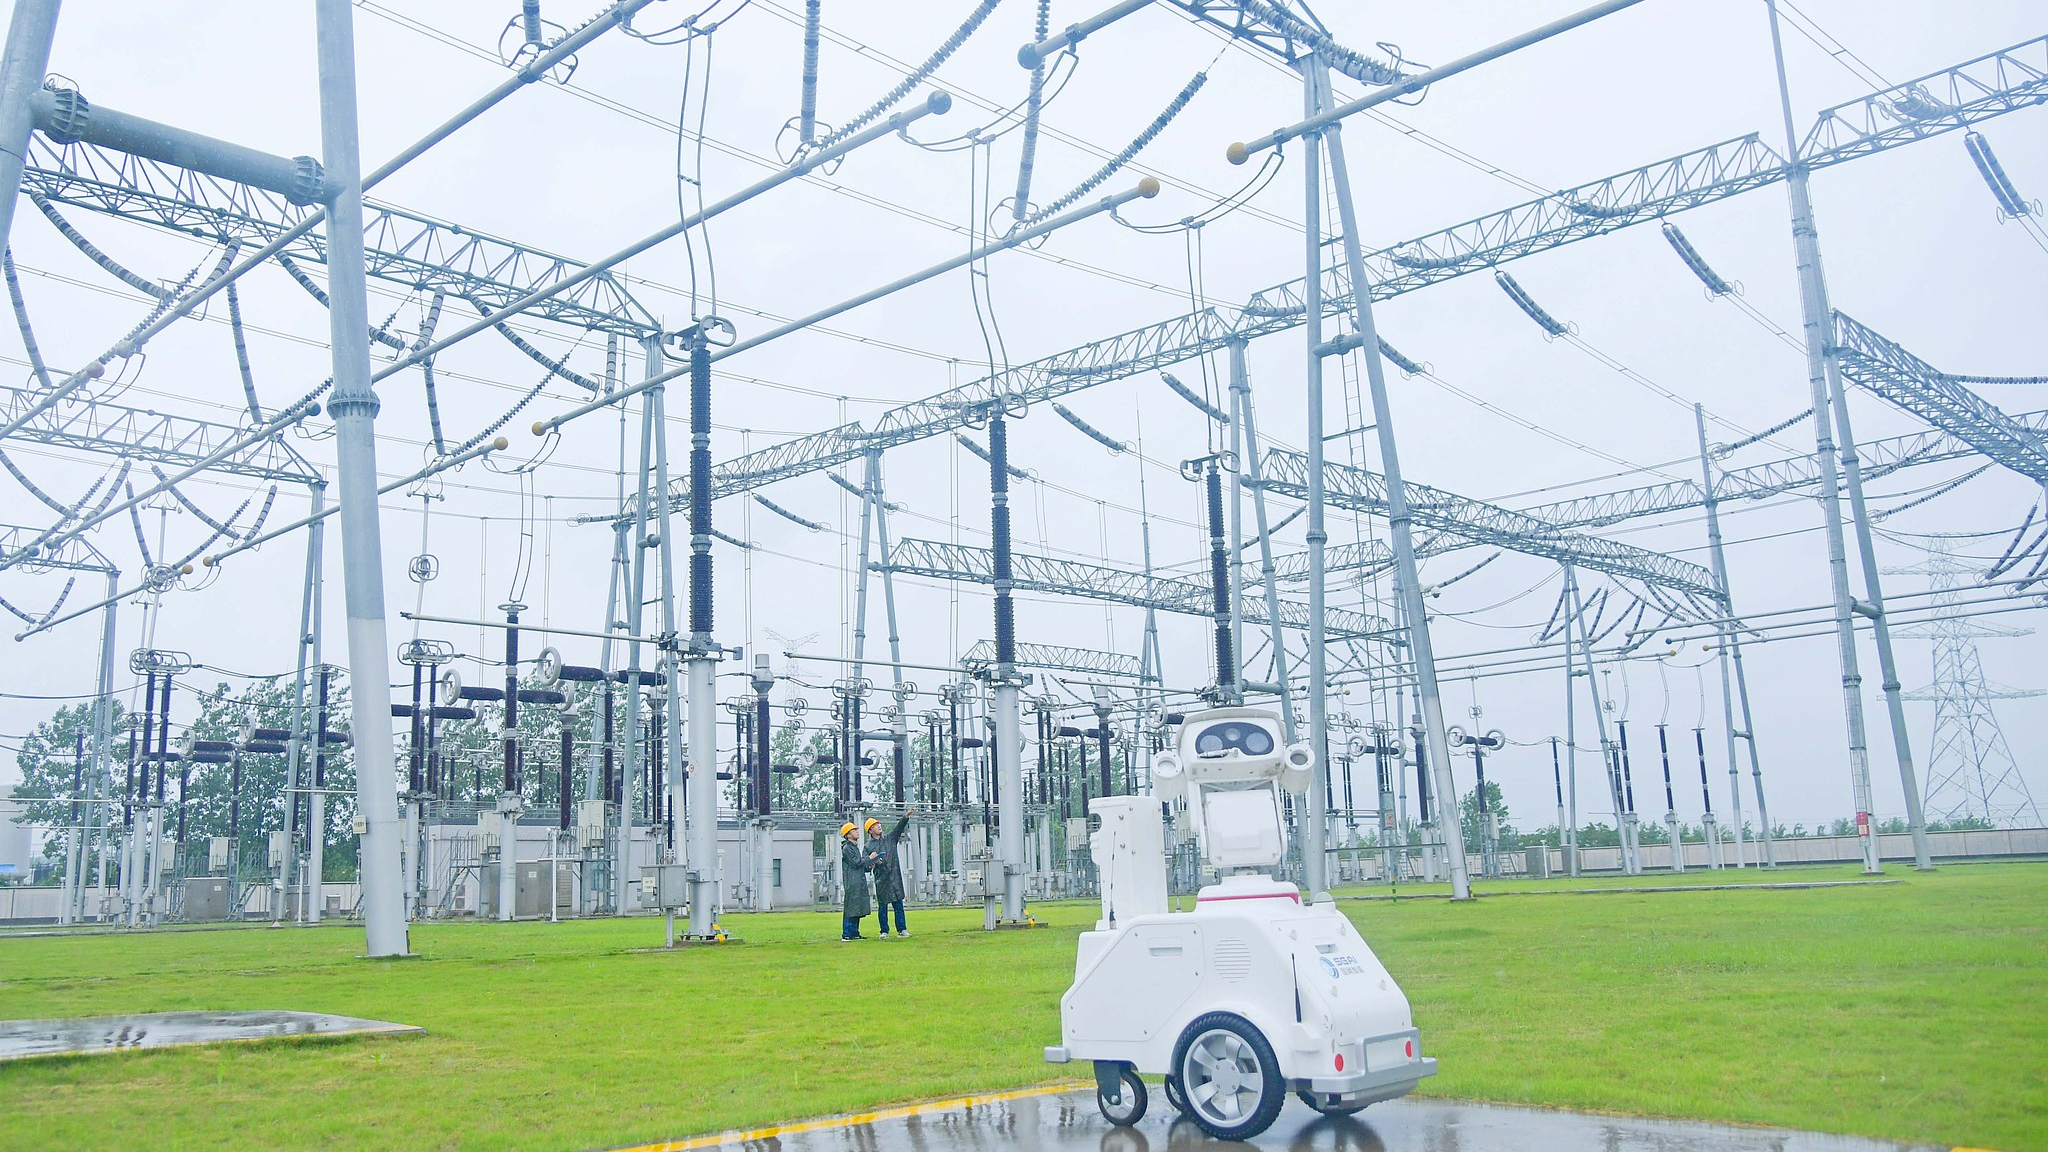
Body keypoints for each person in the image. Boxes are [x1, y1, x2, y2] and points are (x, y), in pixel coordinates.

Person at [863, 806, 916, 938]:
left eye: (879, 824)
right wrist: (871, 860)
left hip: (894, 876)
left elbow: (899, 828)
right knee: (883, 906)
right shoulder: (868, 847)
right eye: (875, 825)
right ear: (870, 830)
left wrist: (906, 816)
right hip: (881, 879)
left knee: (898, 904)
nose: (879, 826)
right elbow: (865, 867)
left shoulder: (890, 839)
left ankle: (902, 929)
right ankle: (884, 931)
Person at [839, 821, 873, 941]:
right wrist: (869, 858)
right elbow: (856, 863)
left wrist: (870, 864)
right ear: (848, 834)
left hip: (858, 882)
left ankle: (854, 932)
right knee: (850, 908)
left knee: (857, 908)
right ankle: (847, 933)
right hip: (852, 883)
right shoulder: (847, 848)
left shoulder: (854, 847)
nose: (857, 832)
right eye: (854, 831)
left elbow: (861, 865)